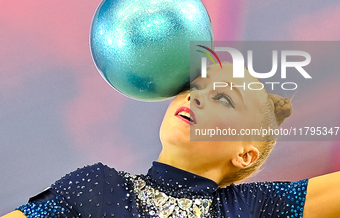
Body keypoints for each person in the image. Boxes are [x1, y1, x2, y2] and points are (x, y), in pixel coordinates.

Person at [2, 63, 340, 218]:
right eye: (195, 88)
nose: (195, 98)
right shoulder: (98, 187)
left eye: (224, 99)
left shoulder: (255, 207)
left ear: (245, 155)